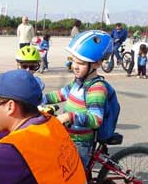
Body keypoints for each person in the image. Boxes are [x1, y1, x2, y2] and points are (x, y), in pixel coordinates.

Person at [42, 30, 113, 167]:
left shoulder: (96, 88)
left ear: (97, 64)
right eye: (72, 61)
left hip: (80, 142)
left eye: (80, 63)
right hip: (68, 135)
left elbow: (96, 120)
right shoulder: (79, 81)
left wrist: (70, 116)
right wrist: (40, 99)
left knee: (72, 175)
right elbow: (62, 94)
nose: (74, 66)